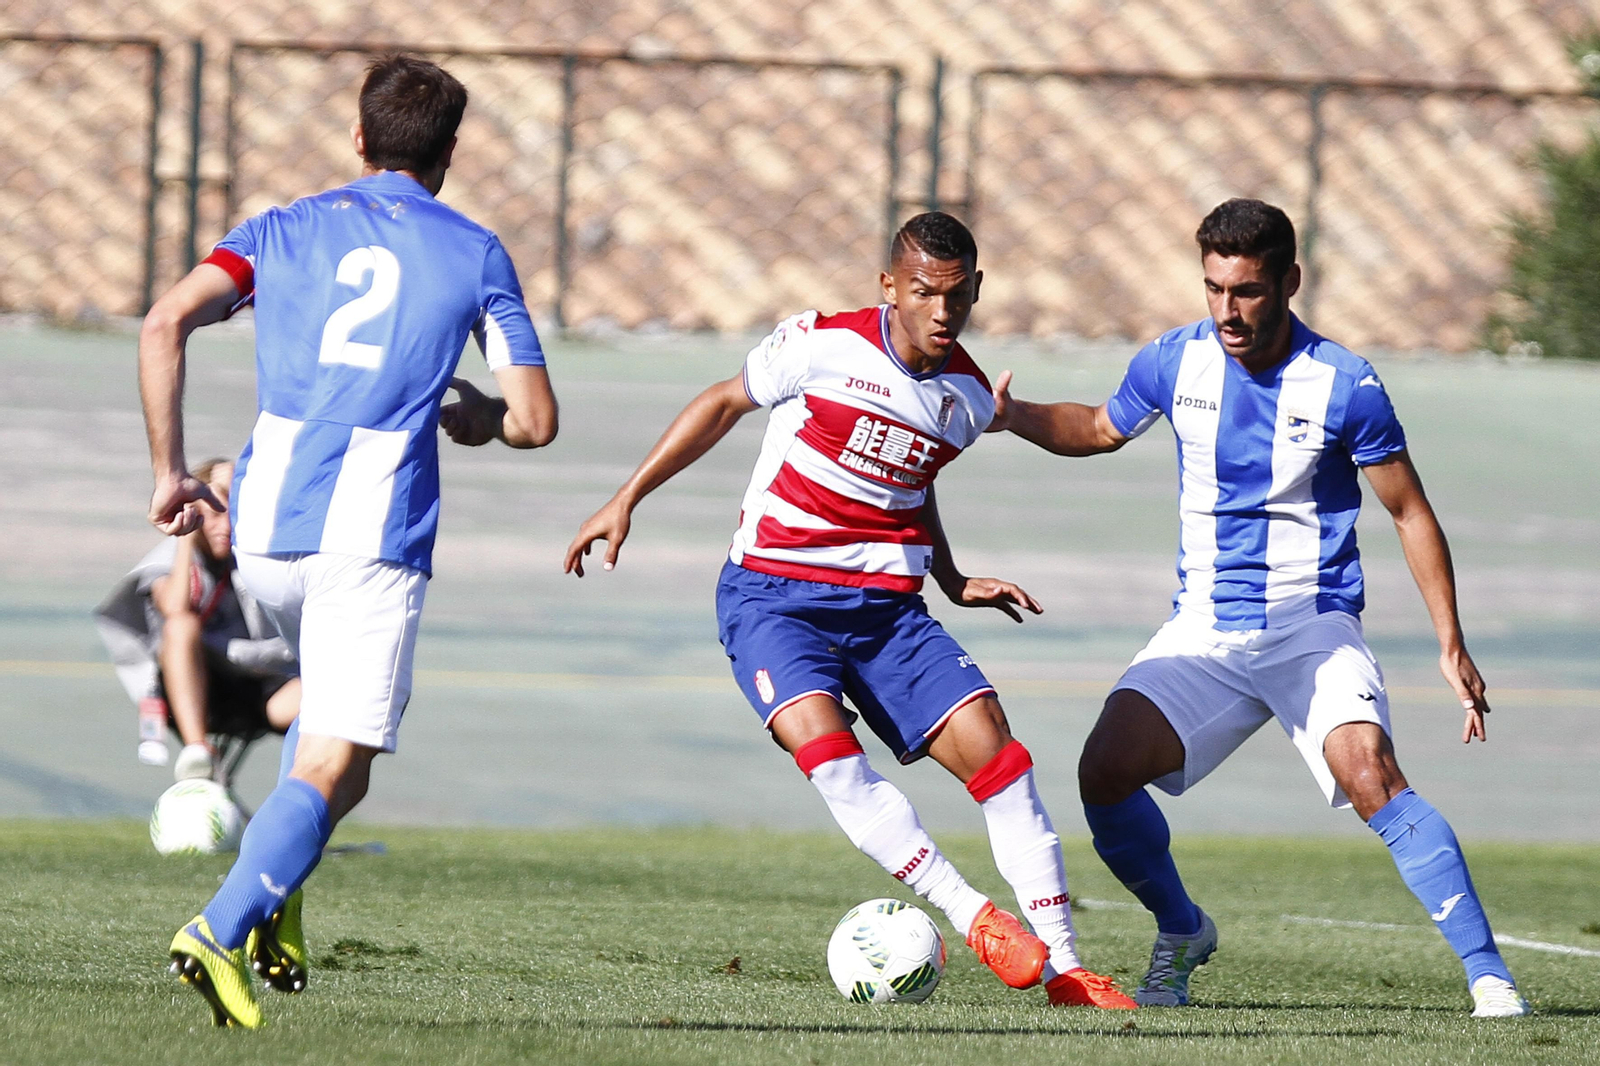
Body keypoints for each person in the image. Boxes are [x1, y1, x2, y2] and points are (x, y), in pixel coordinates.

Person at [565, 212, 1134, 1009]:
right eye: (925, 293)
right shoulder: (820, 344)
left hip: (888, 613)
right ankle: (972, 916)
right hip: (774, 597)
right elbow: (723, 402)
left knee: (1002, 763)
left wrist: (951, 573)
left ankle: (1068, 970)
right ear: (889, 288)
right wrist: (625, 499)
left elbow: (916, 475)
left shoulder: (966, 397)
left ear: (976, 292)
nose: (942, 312)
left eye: (958, 297)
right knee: (832, 760)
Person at [991, 198, 1531, 1017]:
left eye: (1245, 291)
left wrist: (1450, 644)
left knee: (1372, 776)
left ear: (1288, 282)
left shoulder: (1347, 385)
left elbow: (1410, 511)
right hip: (1205, 630)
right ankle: (1182, 929)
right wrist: (1011, 416)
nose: (1226, 311)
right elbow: (1100, 428)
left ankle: (1489, 976)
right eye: (1213, 289)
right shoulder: (1175, 361)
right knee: (1102, 772)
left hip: (1311, 627)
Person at [138, 54, 558, 1028]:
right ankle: (219, 924)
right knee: (338, 758)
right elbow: (537, 419)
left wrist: (170, 474)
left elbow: (164, 323)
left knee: (337, 748)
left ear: (359, 139)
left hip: (267, 528)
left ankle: (277, 895)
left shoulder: (279, 228)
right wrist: (483, 420)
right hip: (371, 533)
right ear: (449, 154)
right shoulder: (475, 251)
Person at [96, 458, 300, 783]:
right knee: (181, 626)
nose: (227, 526)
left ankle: (302, 804)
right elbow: (176, 607)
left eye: (236, 513)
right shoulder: (171, 560)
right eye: (216, 512)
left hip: (255, 687)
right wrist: (186, 537)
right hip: (193, 693)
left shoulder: (257, 559)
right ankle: (197, 752)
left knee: (330, 699)